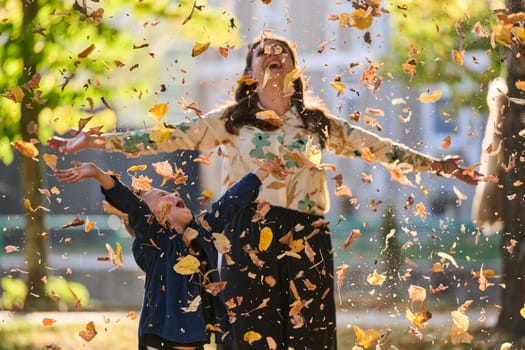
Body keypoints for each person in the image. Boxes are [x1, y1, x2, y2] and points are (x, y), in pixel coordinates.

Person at [48, 33, 483, 349]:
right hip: (246, 233)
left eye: (282, 52)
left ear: (292, 67)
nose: (273, 55)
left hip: (308, 234)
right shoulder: (231, 121)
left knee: (310, 335)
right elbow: (169, 135)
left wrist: (437, 165)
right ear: (250, 73)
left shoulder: (317, 123)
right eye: (263, 53)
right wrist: (97, 142)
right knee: (252, 334)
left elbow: (377, 148)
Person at [54, 159, 282, 350]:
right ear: (152, 216)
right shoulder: (156, 243)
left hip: (194, 339)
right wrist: (97, 173)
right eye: (162, 194)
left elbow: (230, 202)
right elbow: (133, 207)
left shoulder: (203, 231)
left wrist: (261, 171)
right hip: (161, 338)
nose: (174, 193)